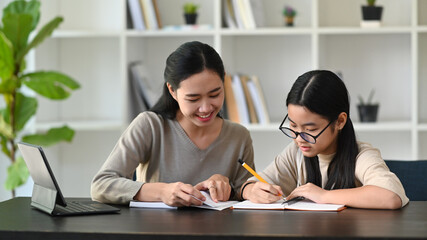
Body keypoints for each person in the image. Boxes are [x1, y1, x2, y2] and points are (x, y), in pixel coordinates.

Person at [91, 41, 254, 206]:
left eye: (214, 94)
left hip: (220, 230)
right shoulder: (150, 126)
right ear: (172, 91)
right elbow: (101, 185)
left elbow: (246, 194)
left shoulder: (239, 136)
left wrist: (228, 187)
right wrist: (162, 192)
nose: (205, 108)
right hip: (157, 229)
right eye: (193, 98)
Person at [240, 70, 409, 209]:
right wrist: (250, 190)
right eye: (293, 126)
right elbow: (252, 183)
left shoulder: (361, 155)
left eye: (310, 129)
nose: (299, 139)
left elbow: (390, 197)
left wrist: (324, 196)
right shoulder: (295, 153)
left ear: (340, 121)